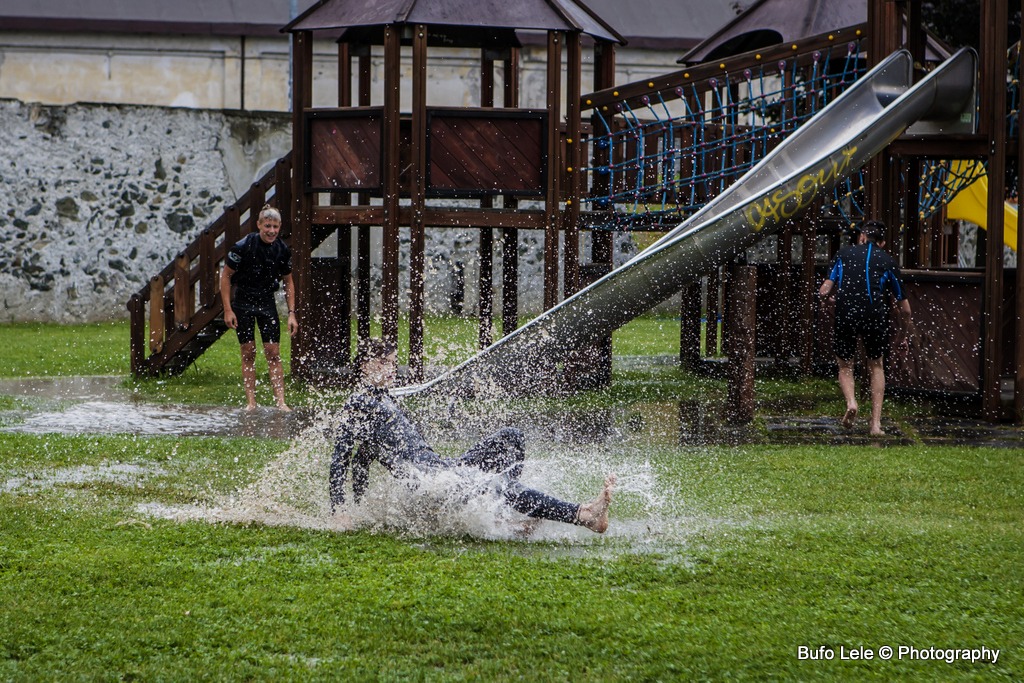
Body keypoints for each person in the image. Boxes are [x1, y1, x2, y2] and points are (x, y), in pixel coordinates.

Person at [329, 338, 615, 534]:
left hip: (442, 467)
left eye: (393, 363)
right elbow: (342, 459)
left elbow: (363, 459)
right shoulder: (359, 403)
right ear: (365, 365)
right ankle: (584, 515)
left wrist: (360, 503)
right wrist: (340, 511)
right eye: (383, 363)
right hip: (430, 481)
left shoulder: (384, 399)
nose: (391, 369)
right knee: (496, 483)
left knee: (511, 437)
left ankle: (506, 516)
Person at [818, 219, 913, 436]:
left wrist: (826, 301)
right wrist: (902, 336)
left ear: (862, 237)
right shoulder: (888, 261)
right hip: (875, 315)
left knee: (845, 366)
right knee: (876, 366)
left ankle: (851, 403)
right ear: (882, 243)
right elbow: (906, 310)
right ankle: (875, 425)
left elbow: (824, 290)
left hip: (846, 313)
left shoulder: (843, 255)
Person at [220, 204, 298, 411]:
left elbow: (288, 282)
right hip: (243, 301)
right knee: (248, 351)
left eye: (275, 227)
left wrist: (292, 313)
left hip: (266, 302)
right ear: (259, 225)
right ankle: (251, 403)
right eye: (267, 226)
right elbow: (226, 277)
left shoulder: (282, 249)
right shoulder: (242, 246)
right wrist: (228, 309)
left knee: (273, 352)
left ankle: (281, 402)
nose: (271, 231)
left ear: (279, 227)